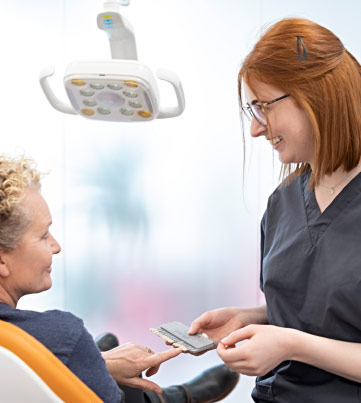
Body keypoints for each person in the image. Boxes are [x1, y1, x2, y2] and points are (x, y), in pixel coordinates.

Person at [188, 17, 361, 403]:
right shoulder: (283, 201)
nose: (256, 129)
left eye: (263, 106)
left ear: (318, 94)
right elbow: (323, 310)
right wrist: (251, 319)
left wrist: (291, 345)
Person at [0, 155, 239, 403]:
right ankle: (168, 399)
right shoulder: (64, 335)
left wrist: (97, 362)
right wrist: (84, 355)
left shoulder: (36, 339)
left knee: (99, 350)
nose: (56, 246)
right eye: (43, 235)